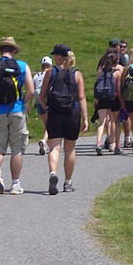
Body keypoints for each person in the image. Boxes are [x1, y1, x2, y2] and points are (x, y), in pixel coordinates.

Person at [0, 36, 36, 194]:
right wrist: (23, 103)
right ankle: (15, 184)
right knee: (17, 149)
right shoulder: (22, 66)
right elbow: (31, 90)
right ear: (14, 51)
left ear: (0, 50)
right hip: (16, 110)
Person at [39, 44, 88, 193]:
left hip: (55, 113)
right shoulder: (77, 74)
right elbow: (81, 97)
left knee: (54, 147)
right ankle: (68, 183)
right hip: (72, 113)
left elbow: (41, 97)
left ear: (59, 57)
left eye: (55, 55)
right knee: (70, 149)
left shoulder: (51, 72)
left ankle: (53, 173)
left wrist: (47, 109)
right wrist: (85, 118)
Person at [93, 50, 123, 155]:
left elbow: (96, 84)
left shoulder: (100, 71)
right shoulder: (117, 73)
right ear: (116, 62)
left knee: (101, 122)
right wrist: (121, 101)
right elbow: (118, 89)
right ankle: (115, 145)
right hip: (113, 98)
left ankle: (99, 143)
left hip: (102, 98)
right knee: (115, 122)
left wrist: (96, 98)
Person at [30, 55, 52, 155]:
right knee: (50, 125)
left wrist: (29, 104)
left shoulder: (36, 76)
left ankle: (47, 146)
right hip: (47, 101)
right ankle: (44, 141)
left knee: (46, 124)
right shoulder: (50, 74)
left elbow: (31, 90)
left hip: (38, 101)